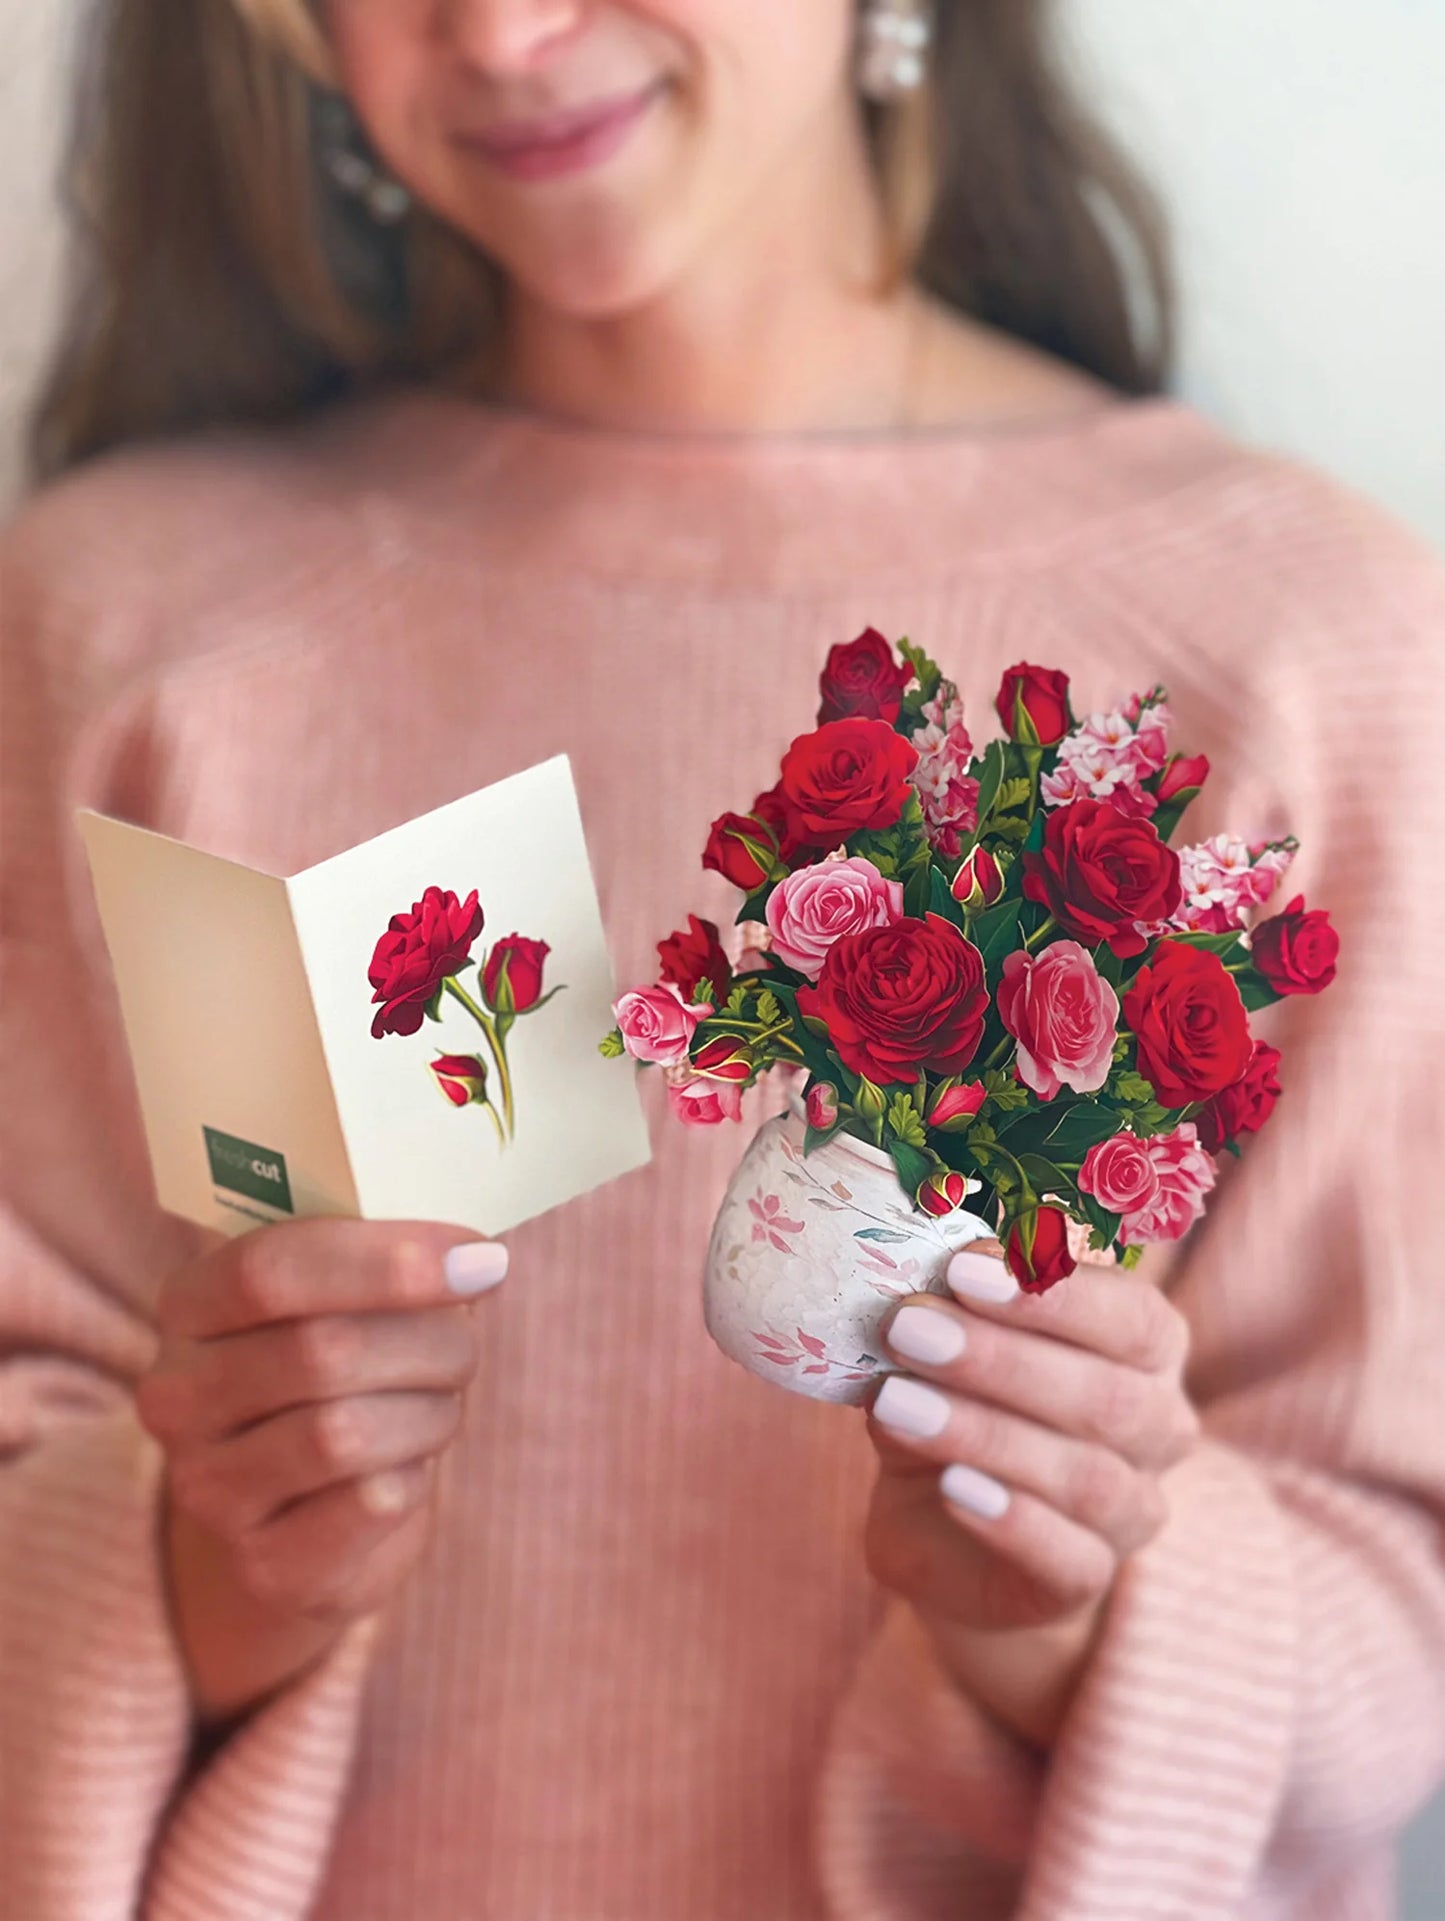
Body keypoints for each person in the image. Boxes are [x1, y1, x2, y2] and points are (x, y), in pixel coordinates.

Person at [3, 2, 1444, 1916]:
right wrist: (208, 1560)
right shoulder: (123, 627)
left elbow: (1394, 1617)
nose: (504, 30)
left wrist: (1064, 1606)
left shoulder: (1306, 656)